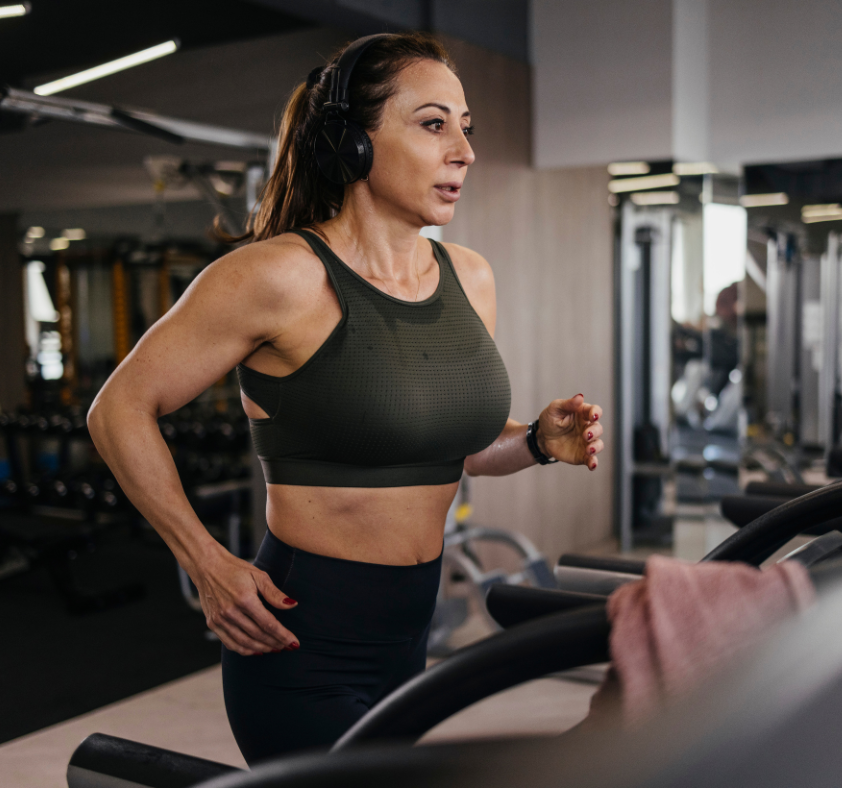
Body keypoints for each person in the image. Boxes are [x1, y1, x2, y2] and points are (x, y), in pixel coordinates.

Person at [87, 32, 605, 763]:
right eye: (433, 124)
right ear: (353, 144)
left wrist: (533, 443)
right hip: (302, 644)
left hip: (409, 643)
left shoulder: (470, 277)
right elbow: (118, 408)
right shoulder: (278, 276)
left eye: (467, 127)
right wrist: (205, 560)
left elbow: (445, 450)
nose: (464, 149)